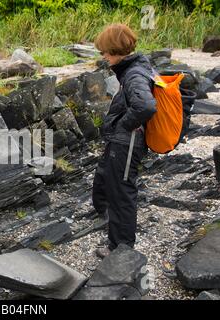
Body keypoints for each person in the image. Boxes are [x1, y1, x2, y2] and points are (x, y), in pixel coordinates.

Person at [92, 24, 157, 258]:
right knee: (108, 183)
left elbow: (146, 106)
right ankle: (115, 237)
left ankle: (121, 250)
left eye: (104, 52)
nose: (103, 56)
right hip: (121, 141)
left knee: (122, 192)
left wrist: (124, 125)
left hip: (128, 142)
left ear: (115, 49)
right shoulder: (134, 67)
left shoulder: (133, 73)